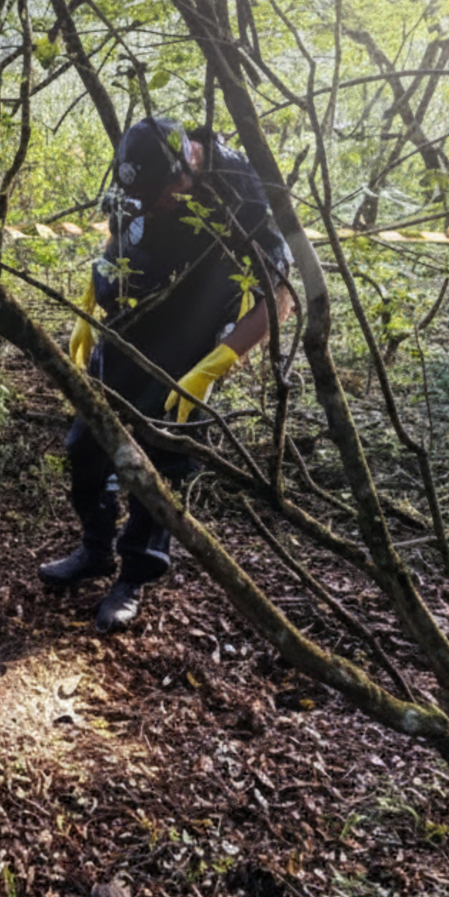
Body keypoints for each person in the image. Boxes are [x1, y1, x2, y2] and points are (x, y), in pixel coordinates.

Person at [40, 117, 295, 631]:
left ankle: (133, 576)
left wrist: (219, 363)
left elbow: (282, 292)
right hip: (124, 330)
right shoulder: (141, 167)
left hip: (186, 350)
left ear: (189, 167)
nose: (153, 202)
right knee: (85, 445)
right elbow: (118, 232)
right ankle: (95, 549)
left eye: (162, 193)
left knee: (161, 465)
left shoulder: (241, 191)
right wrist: (92, 302)